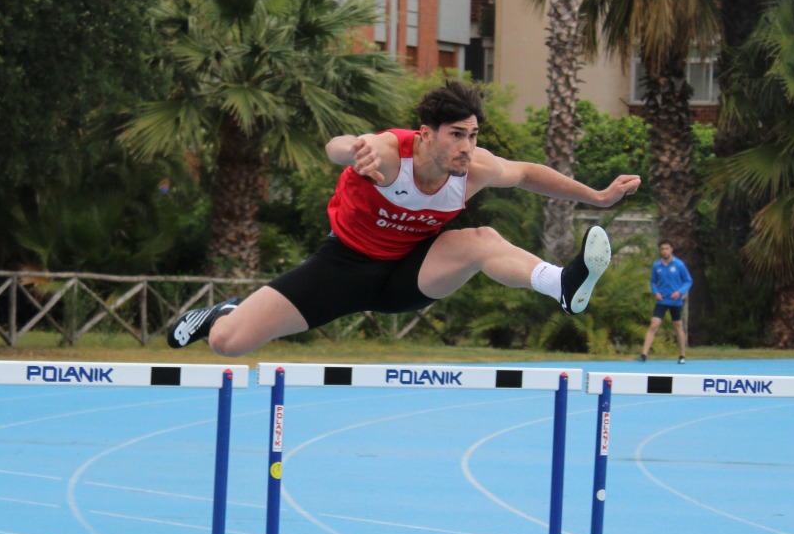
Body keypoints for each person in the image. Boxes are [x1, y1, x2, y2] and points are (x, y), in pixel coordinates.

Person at [168, 81, 641, 356]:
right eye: (456, 135)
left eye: (473, 135)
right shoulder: (391, 155)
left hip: (410, 276)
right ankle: (222, 313)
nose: (467, 147)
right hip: (343, 268)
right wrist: (356, 151)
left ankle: (561, 284)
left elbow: (528, 174)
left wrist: (597, 197)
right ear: (426, 134)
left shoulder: (473, 168)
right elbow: (337, 146)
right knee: (227, 343)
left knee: (481, 239)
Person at [638, 240, 691, 364]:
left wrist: (680, 292)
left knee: (677, 326)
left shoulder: (679, 265)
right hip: (662, 300)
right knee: (654, 325)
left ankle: (682, 355)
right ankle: (644, 354)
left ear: (671, 249)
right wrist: (656, 292)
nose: (665, 251)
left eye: (667, 249)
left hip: (675, 301)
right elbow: (653, 282)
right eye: (662, 249)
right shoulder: (657, 266)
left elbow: (688, 281)